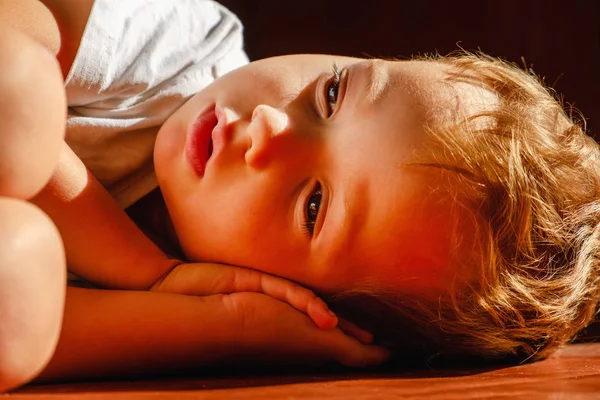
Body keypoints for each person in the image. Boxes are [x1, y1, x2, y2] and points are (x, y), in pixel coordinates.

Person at [2, 0, 599, 390]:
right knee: (20, 100)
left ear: (310, 308)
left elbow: (28, 340)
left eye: (313, 206)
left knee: (18, 298)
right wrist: (141, 269)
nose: (269, 127)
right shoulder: (178, 46)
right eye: (333, 94)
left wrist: (228, 326)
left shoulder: (215, 304)